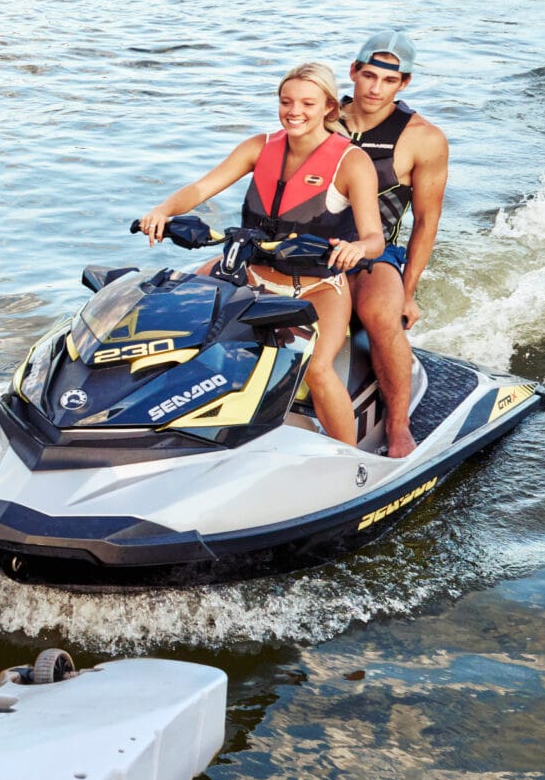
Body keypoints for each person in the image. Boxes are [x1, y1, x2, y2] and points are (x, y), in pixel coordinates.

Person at [136, 61, 386, 446]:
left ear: (329, 109)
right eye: (286, 102)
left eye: (307, 103)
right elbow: (201, 190)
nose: (294, 112)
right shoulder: (259, 147)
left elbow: (374, 238)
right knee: (175, 319)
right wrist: (163, 210)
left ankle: (350, 461)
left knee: (318, 370)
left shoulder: (351, 162)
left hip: (317, 289)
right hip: (249, 278)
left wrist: (357, 248)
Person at [338, 29, 448, 458]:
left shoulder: (423, 138)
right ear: (353, 72)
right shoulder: (321, 119)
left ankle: (398, 425)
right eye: (368, 76)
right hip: (309, 244)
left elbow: (426, 221)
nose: (375, 88)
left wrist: (409, 292)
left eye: (389, 80)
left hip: (373, 254)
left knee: (381, 314)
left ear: (404, 83)